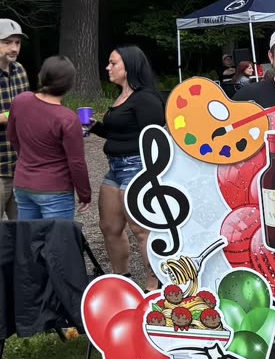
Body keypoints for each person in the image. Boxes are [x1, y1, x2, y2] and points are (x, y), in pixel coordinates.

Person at [87, 46, 166, 287]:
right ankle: (122, 280)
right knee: (109, 227)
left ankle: (155, 285)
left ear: (129, 66)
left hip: (138, 167)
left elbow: (153, 137)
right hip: (115, 168)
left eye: (113, 63)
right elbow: (119, 132)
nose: (108, 67)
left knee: (141, 229)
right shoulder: (123, 95)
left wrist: (152, 173)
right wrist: (94, 127)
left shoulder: (145, 98)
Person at [7, 56, 90, 220]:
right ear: (69, 84)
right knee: (56, 236)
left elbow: (12, 136)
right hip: (55, 189)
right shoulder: (68, 118)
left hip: (23, 184)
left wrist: (27, 158)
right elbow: (76, 162)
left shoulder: (21, 100)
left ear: (41, 76)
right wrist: (85, 194)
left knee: (28, 235)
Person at [0, 18, 30, 220]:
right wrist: (12, 115)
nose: (14, 48)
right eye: (7, 42)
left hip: (20, 166)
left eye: (17, 42)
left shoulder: (20, 70)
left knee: (22, 229)